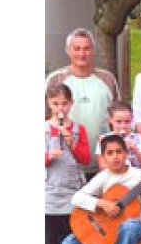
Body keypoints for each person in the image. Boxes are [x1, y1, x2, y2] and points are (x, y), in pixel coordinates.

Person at [45, 28, 121, 179]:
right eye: (77, 49)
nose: (82, 53)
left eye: (86, 48)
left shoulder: (107, 79)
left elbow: (119, 117)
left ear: (93, 51)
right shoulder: (56, 80)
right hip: (64, 167)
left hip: (103, 163)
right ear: (68, 51)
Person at [45, 84, 91, 244]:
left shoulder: (78, 129)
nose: (60, 108)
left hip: (71, 188)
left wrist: (72, 144)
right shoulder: (43, 129)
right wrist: (48, 157)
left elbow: (85, 158)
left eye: (64, 103)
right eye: (56, 104)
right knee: (50, 235)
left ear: (71, 104)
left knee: (68, 234)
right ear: (49, 104)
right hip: (49, 190)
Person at [96, 101, 141, 171]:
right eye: (118, 122)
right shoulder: (103, 139)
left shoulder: (140, 139)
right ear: (110, 120)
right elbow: (102, 167)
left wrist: (135, 151)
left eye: (127, 121)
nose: (123, 126)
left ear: (132, 120)